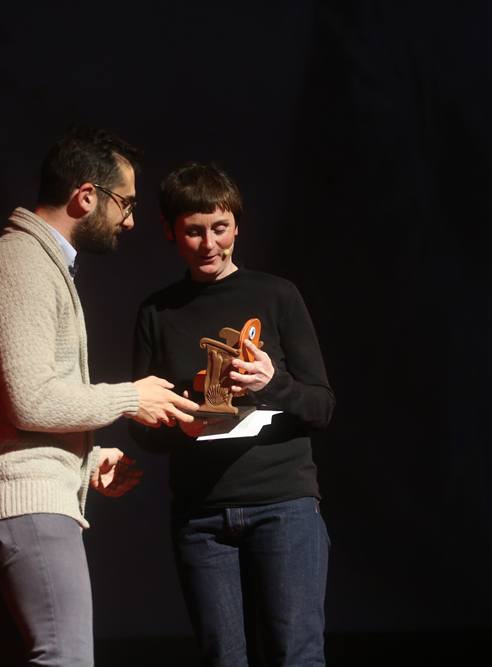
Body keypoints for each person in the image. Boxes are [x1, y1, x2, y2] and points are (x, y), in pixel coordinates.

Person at [0, 126, 198, 667]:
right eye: (125, 203)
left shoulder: (33, 261)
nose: (130, 220)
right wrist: (129, 398)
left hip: (10, 499)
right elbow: (31, 401)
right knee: (64, 657)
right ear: (87, 196)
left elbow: (18, 401)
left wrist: (86, 459)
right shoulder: (24, 263)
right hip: (25, 503)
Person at [130, 163, 335, 666]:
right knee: (223, 658)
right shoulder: (157, 313)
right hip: (202, 514)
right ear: (170, 231)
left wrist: (274, 385)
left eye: (219, 228)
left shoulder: (276, 296)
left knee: (295, 655)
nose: (208, 243)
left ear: (237, 225)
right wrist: (176, 424)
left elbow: (321, 407)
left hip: (282, 505)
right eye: (193, 231)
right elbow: (145, 428)